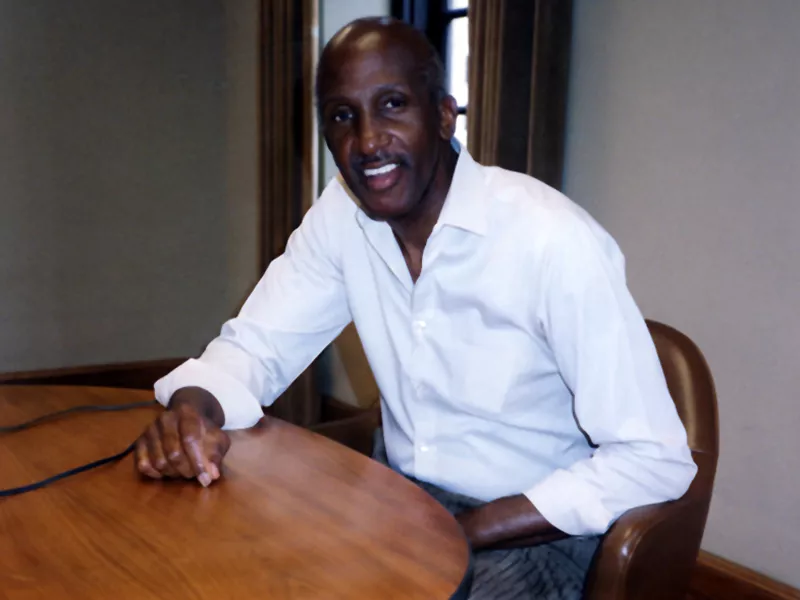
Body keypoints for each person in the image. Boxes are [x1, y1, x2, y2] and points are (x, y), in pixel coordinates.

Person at [135, 17, 696, 600]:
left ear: (444, 115)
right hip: (394, 503)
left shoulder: (549, 239)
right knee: (225, 570)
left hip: (535, 534)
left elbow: (653, 459)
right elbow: (256, 348)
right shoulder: (341, 218)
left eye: (393, 104)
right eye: (342, 115)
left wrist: (463, 531)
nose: (369, 140)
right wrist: (191, 414)